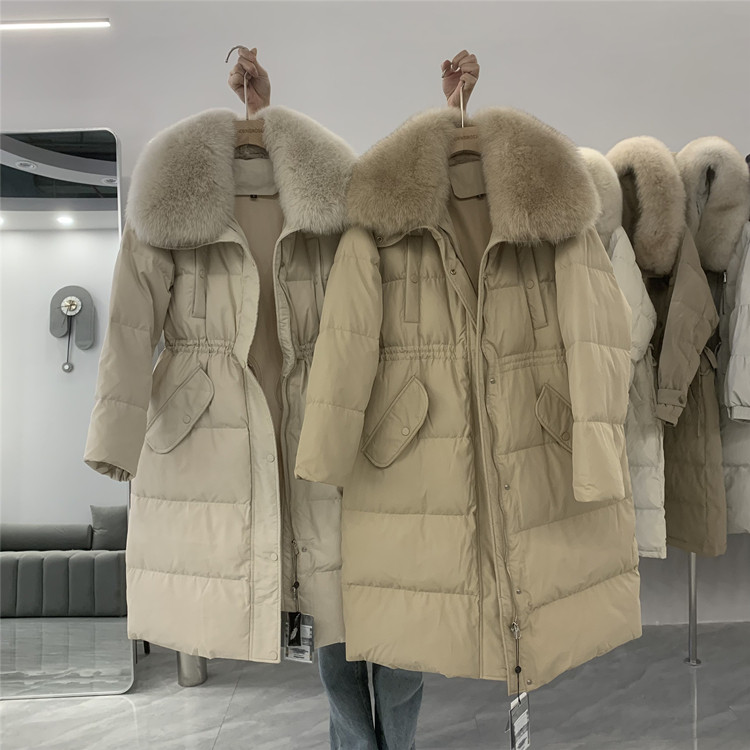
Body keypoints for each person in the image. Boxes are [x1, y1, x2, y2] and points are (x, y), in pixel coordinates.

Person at [228, 47, 478, 750]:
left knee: (401, 639)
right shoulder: (307, 228)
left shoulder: (392, 229)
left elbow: (455, 191)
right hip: (319, 447)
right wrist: (259, 115)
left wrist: (456, 113)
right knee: (335, 637)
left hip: (400, 446)